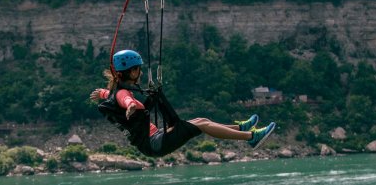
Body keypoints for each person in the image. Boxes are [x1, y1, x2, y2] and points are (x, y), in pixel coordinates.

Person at [90, 49, 275, 157]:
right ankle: (251, 137)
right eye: (139, 69)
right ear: (132, 72)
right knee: (201, 125)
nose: (140, 72)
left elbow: (115, 96)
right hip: (155, 143)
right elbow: (126, 100)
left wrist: (103, 93)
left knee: (201, 119)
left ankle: (241, 129)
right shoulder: (123, 94)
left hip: (156, 138)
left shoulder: (115, 92)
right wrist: (131, 105)